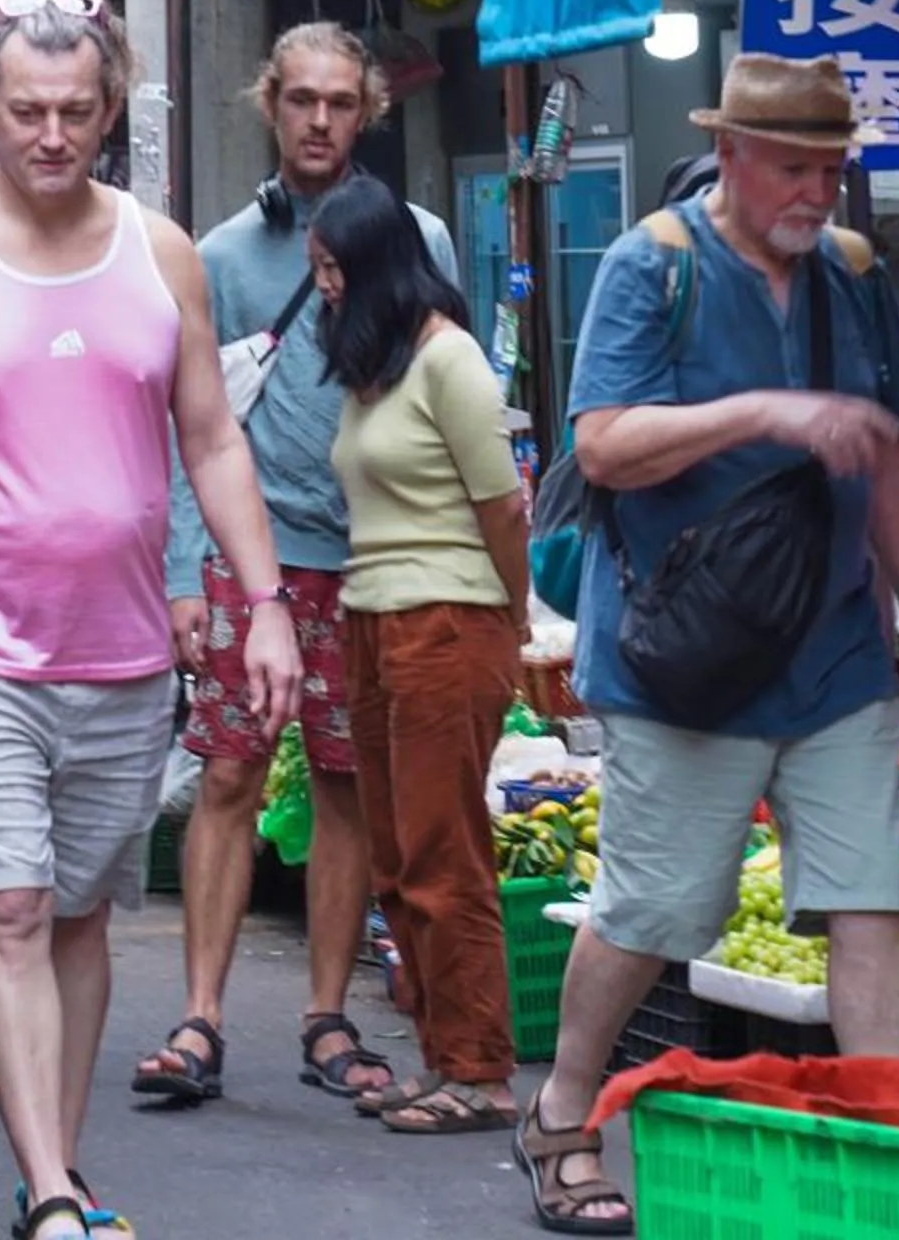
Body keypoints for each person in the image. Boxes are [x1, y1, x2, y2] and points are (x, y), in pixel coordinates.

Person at [0, 0, 300, 1240]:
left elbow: (211, 438)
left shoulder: (159, 252)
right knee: (9, 903)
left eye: (79, 112)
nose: (53, 135)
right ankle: (50, 1193)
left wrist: (260, 599)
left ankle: (58, 1162)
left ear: (111, 113)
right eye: (29, 109)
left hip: (121, 651)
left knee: (85, 914)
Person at [521, 54, 899, 1235]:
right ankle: (564, 1108)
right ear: (734, 158)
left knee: (874, 898)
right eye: (796, 168)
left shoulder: (853, 274)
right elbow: (605, 446)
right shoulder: (648, 265)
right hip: (686, 657)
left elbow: (893, 463)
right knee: (656, 909)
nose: (819, 192)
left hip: (837, 653)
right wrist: (768, 411)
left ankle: (885, 1141)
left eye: (833, 168)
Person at [133, 21, 455, 1107]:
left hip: (374, 560)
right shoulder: (220, 255)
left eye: (341, 102)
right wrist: (186, 568)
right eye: (301, 99)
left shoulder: (421, 240)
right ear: (270, 104)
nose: (320, 120)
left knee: (347, 788)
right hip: (252, 559)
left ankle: (328, 1014)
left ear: (369, 113)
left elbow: (454, 396)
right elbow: (194, 425)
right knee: (226, 773)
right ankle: (200, 1016)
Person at [309, 175, 527, 1131]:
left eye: (332, 269)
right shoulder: (380, 369)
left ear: (375, 267)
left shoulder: (452, 361)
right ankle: (442, 1057)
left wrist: (513, 621)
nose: (322, 287)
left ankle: (479, 1073)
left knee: (445, 859)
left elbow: (504, 506)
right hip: (373, 620)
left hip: (448, 623)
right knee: (396, 861)